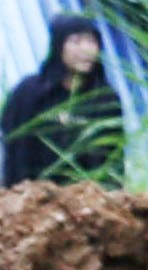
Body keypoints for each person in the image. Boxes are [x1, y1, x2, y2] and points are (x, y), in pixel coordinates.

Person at [5, 16, 123, 186]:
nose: (86, 50)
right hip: (30, 196)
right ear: (58, 46)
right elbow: (15, 149)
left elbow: (112, 160)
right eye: (76, 41)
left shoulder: (105, 99)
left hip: (85, 202)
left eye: (91, 41)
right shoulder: (29, 92)